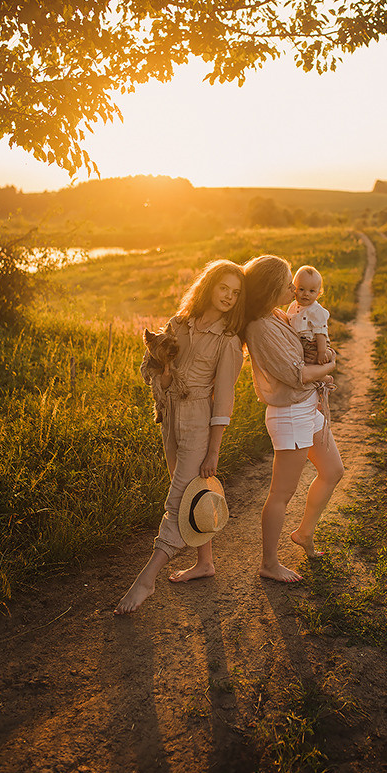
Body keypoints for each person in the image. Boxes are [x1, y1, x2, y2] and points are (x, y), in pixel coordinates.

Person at [114, 260, 245, 614]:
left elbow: (224, 399)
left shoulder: (229, 341)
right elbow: (152, 368)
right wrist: (163, 374)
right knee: (189, 492)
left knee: (177, 501)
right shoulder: (178, 323)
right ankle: (205, 562)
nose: (228, 297)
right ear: (208, 286)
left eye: (235, 293)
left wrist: (214, 450)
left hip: (199, 418)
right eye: (223, 288)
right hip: (169, 415)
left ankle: (147, 579)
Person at [243, 255, 344, 583]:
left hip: (306, 406)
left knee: (333, 471)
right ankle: (269, 563)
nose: (293, 287)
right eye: (288, 282)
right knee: (281, 494)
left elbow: (307, 346)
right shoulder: (259, 327)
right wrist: (329, 367)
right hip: (289, 414)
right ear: (271, 288)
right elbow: (296, 374)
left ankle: (304, 532)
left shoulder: (277, 313)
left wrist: (322, 354)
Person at [286, 265, 331, 364]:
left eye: (311, 291)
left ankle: (322, 369)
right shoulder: (293, 306)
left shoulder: (316, 311)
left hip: (312, 344)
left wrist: (321, 352)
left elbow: (320, 333)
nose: (306, 294)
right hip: (298, 342)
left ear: (318, 294)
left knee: (315, 359)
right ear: (294, 289)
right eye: (301, 289)